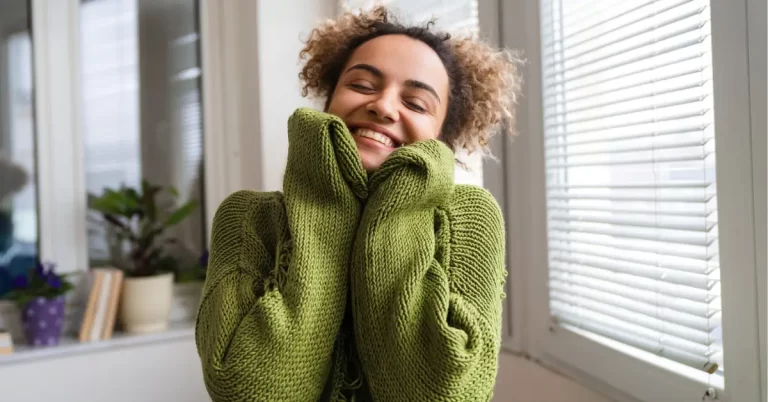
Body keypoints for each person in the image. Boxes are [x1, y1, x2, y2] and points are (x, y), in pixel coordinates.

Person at [195, 5, 521, 401]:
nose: (383, 106)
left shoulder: (472, 216)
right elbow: (246, 390)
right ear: (330, 99)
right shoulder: (246, 217)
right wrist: (326, 202)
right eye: (363, 85)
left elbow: (446, 393)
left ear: (442, 136)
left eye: (416, 104)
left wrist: (401, 203)